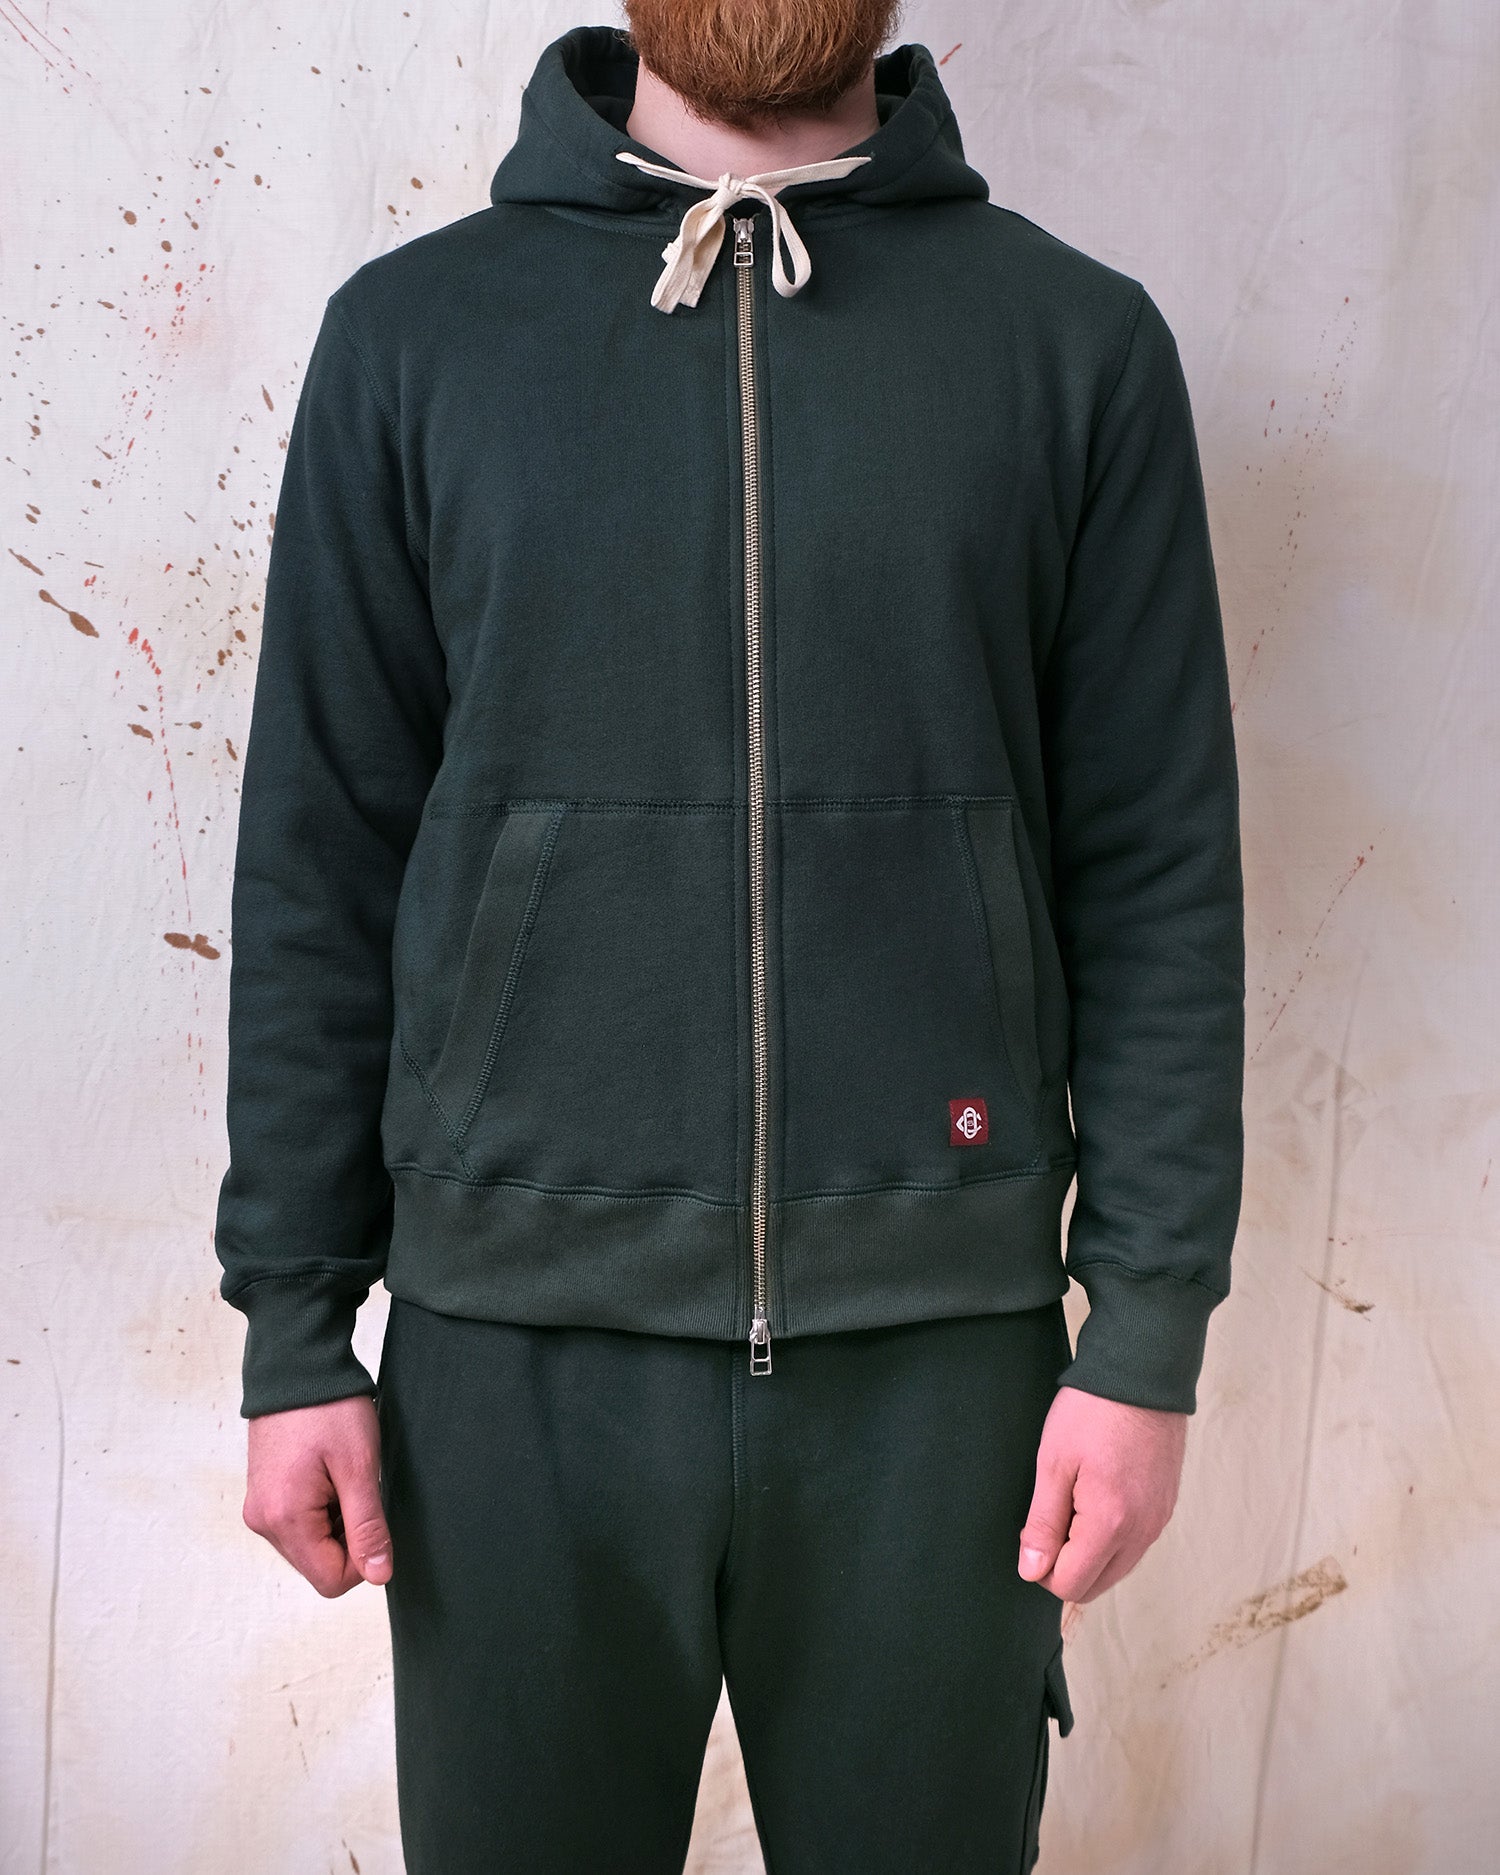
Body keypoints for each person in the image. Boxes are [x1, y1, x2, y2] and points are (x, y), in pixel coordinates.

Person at [215, 3, 1245, 1869]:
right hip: (512, 1370)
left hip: (940, 1377)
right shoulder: (415, 338)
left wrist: (1145, 1334)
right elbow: (319, 861)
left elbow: (1156, 867)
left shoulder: (1072, 344)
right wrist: (296, 1330)